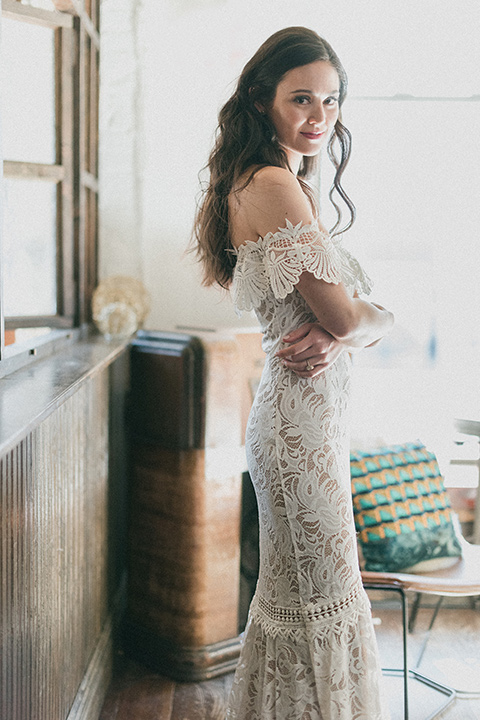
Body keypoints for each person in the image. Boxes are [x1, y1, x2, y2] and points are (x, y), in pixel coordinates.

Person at [193, 26, 393, 720]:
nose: (319, 117)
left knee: (305, 602)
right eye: (301, 98)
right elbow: (344, 320)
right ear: (260, 100)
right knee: (320, 601)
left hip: (308, 426)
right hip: (296, 433)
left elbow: (339, 324)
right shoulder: (272, 184)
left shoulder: (281, 179)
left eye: (332, 101)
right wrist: (365, 323)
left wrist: (351, 329)